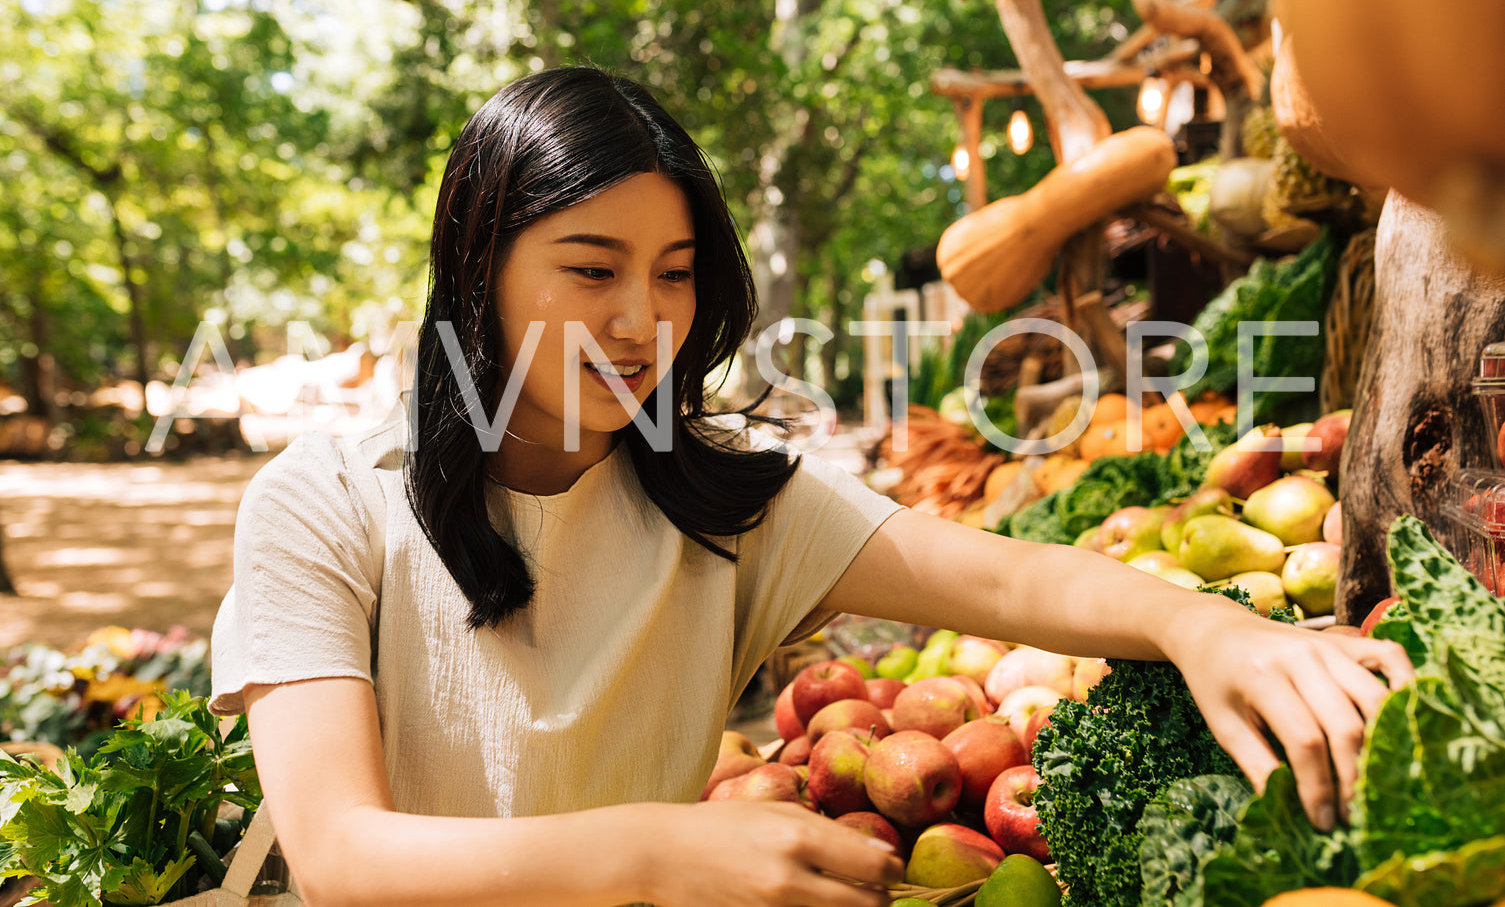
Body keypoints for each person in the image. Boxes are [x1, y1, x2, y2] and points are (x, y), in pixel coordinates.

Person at [210, 66, 1413, 907]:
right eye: (591, 269)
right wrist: (666, 852)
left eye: (675, 273)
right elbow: (341, 856)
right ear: (478, 269)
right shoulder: (322, 504)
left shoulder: (718, 500)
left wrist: (1201, 622)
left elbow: (993, 570)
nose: (642, 322)